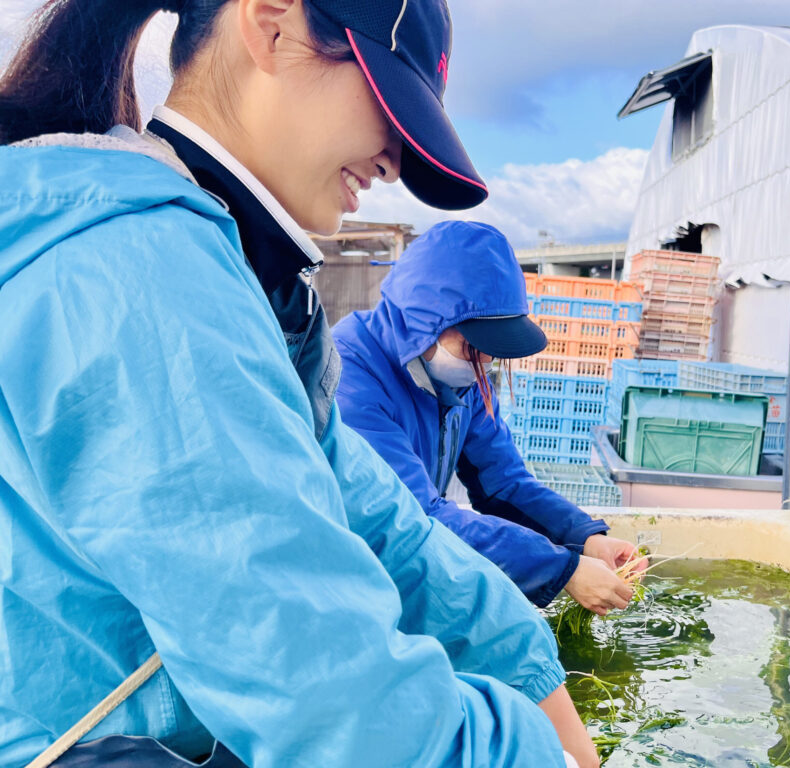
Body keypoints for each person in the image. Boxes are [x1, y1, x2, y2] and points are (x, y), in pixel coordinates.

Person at [0, 2, 598, 767]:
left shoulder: (247, 285)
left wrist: (523, 657)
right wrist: (536, 751)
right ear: (271, 24)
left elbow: (384, 526)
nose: (393, 162)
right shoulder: (144, 275)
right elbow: (330, 698)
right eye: (388, 99)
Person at [331, 221, 648, 614]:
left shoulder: (459, 376)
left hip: (407, 559)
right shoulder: (350, 376)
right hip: (345, 579)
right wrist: (561, 569)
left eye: (492, 348)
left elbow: (504, 484)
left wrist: (584, 539)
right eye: (472, 346)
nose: (484, 361)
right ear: (423, 322)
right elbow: (414, 516)